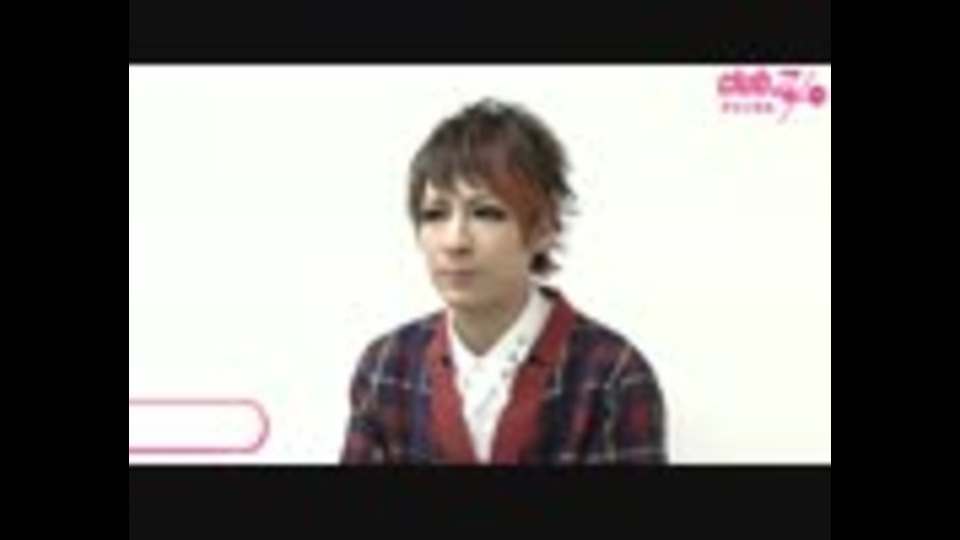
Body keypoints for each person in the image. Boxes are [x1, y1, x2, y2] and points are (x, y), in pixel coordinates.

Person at [340, 98, 666, 464]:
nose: (455, 241)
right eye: (434, 214)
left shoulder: (612, 374)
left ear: (543, 228)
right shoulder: (386, 365)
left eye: (486, 213)